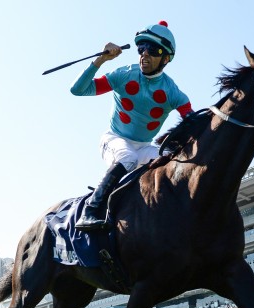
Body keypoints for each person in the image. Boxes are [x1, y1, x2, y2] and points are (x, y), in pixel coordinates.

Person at [70, 20, 193, 230]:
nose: (144, 54)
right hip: (115, 139)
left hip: (144, 146)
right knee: (128, 158)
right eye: (141, 48)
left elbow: (193, 124)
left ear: (165, 58)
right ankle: (91, 210)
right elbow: (78, 90)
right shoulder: (124, 74)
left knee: (175, 162)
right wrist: (100, 60)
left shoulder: (174, 93)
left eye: (152, 49)